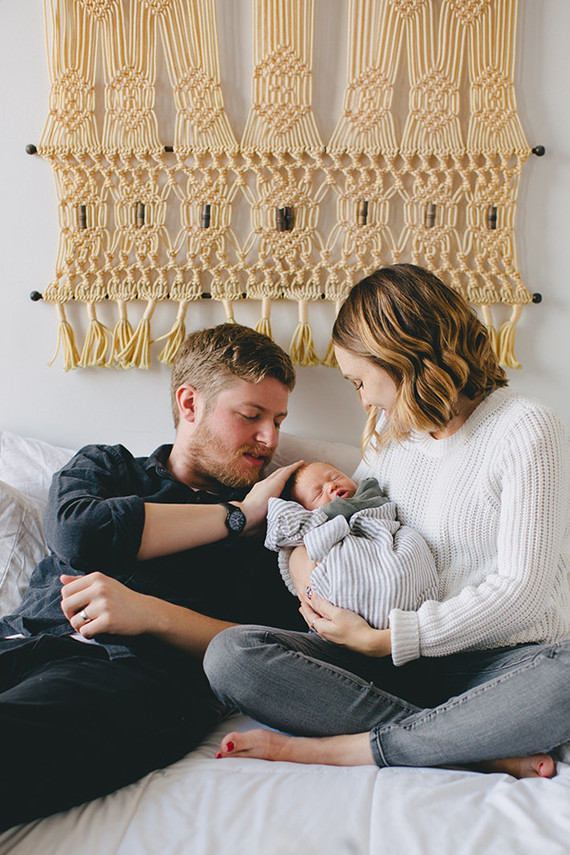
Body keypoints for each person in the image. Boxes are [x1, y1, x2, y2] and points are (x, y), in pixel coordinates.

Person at [204, 264, 570, 780]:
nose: (364, 401)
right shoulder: (392, 429)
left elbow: (520, 593)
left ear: (402, 356)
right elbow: (337, 518)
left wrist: (390, 639)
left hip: (495, 664)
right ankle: (464, 744)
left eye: (360, 381)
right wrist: (305, 570)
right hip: (385, 660)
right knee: (231, 656)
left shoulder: (524, 428)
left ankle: (351, 748)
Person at [0, 323, 305, 831]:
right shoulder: (108, 467)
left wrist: (151, 615)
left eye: (277, 420)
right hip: (20, 637)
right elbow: (79, 534)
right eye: (251, 416)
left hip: (127, 677)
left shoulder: (277, 524)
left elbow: (277, 650)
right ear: (190, 404)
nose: (270, 439)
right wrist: (234, 515)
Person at [266, 462, 439, 629]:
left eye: (335, 477)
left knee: (411, 540)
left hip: (393, 563)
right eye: (318, 493)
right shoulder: (317, 525)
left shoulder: (372, 498)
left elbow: (386, 515)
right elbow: (314, 546)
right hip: (350, 597)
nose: (331, 486)